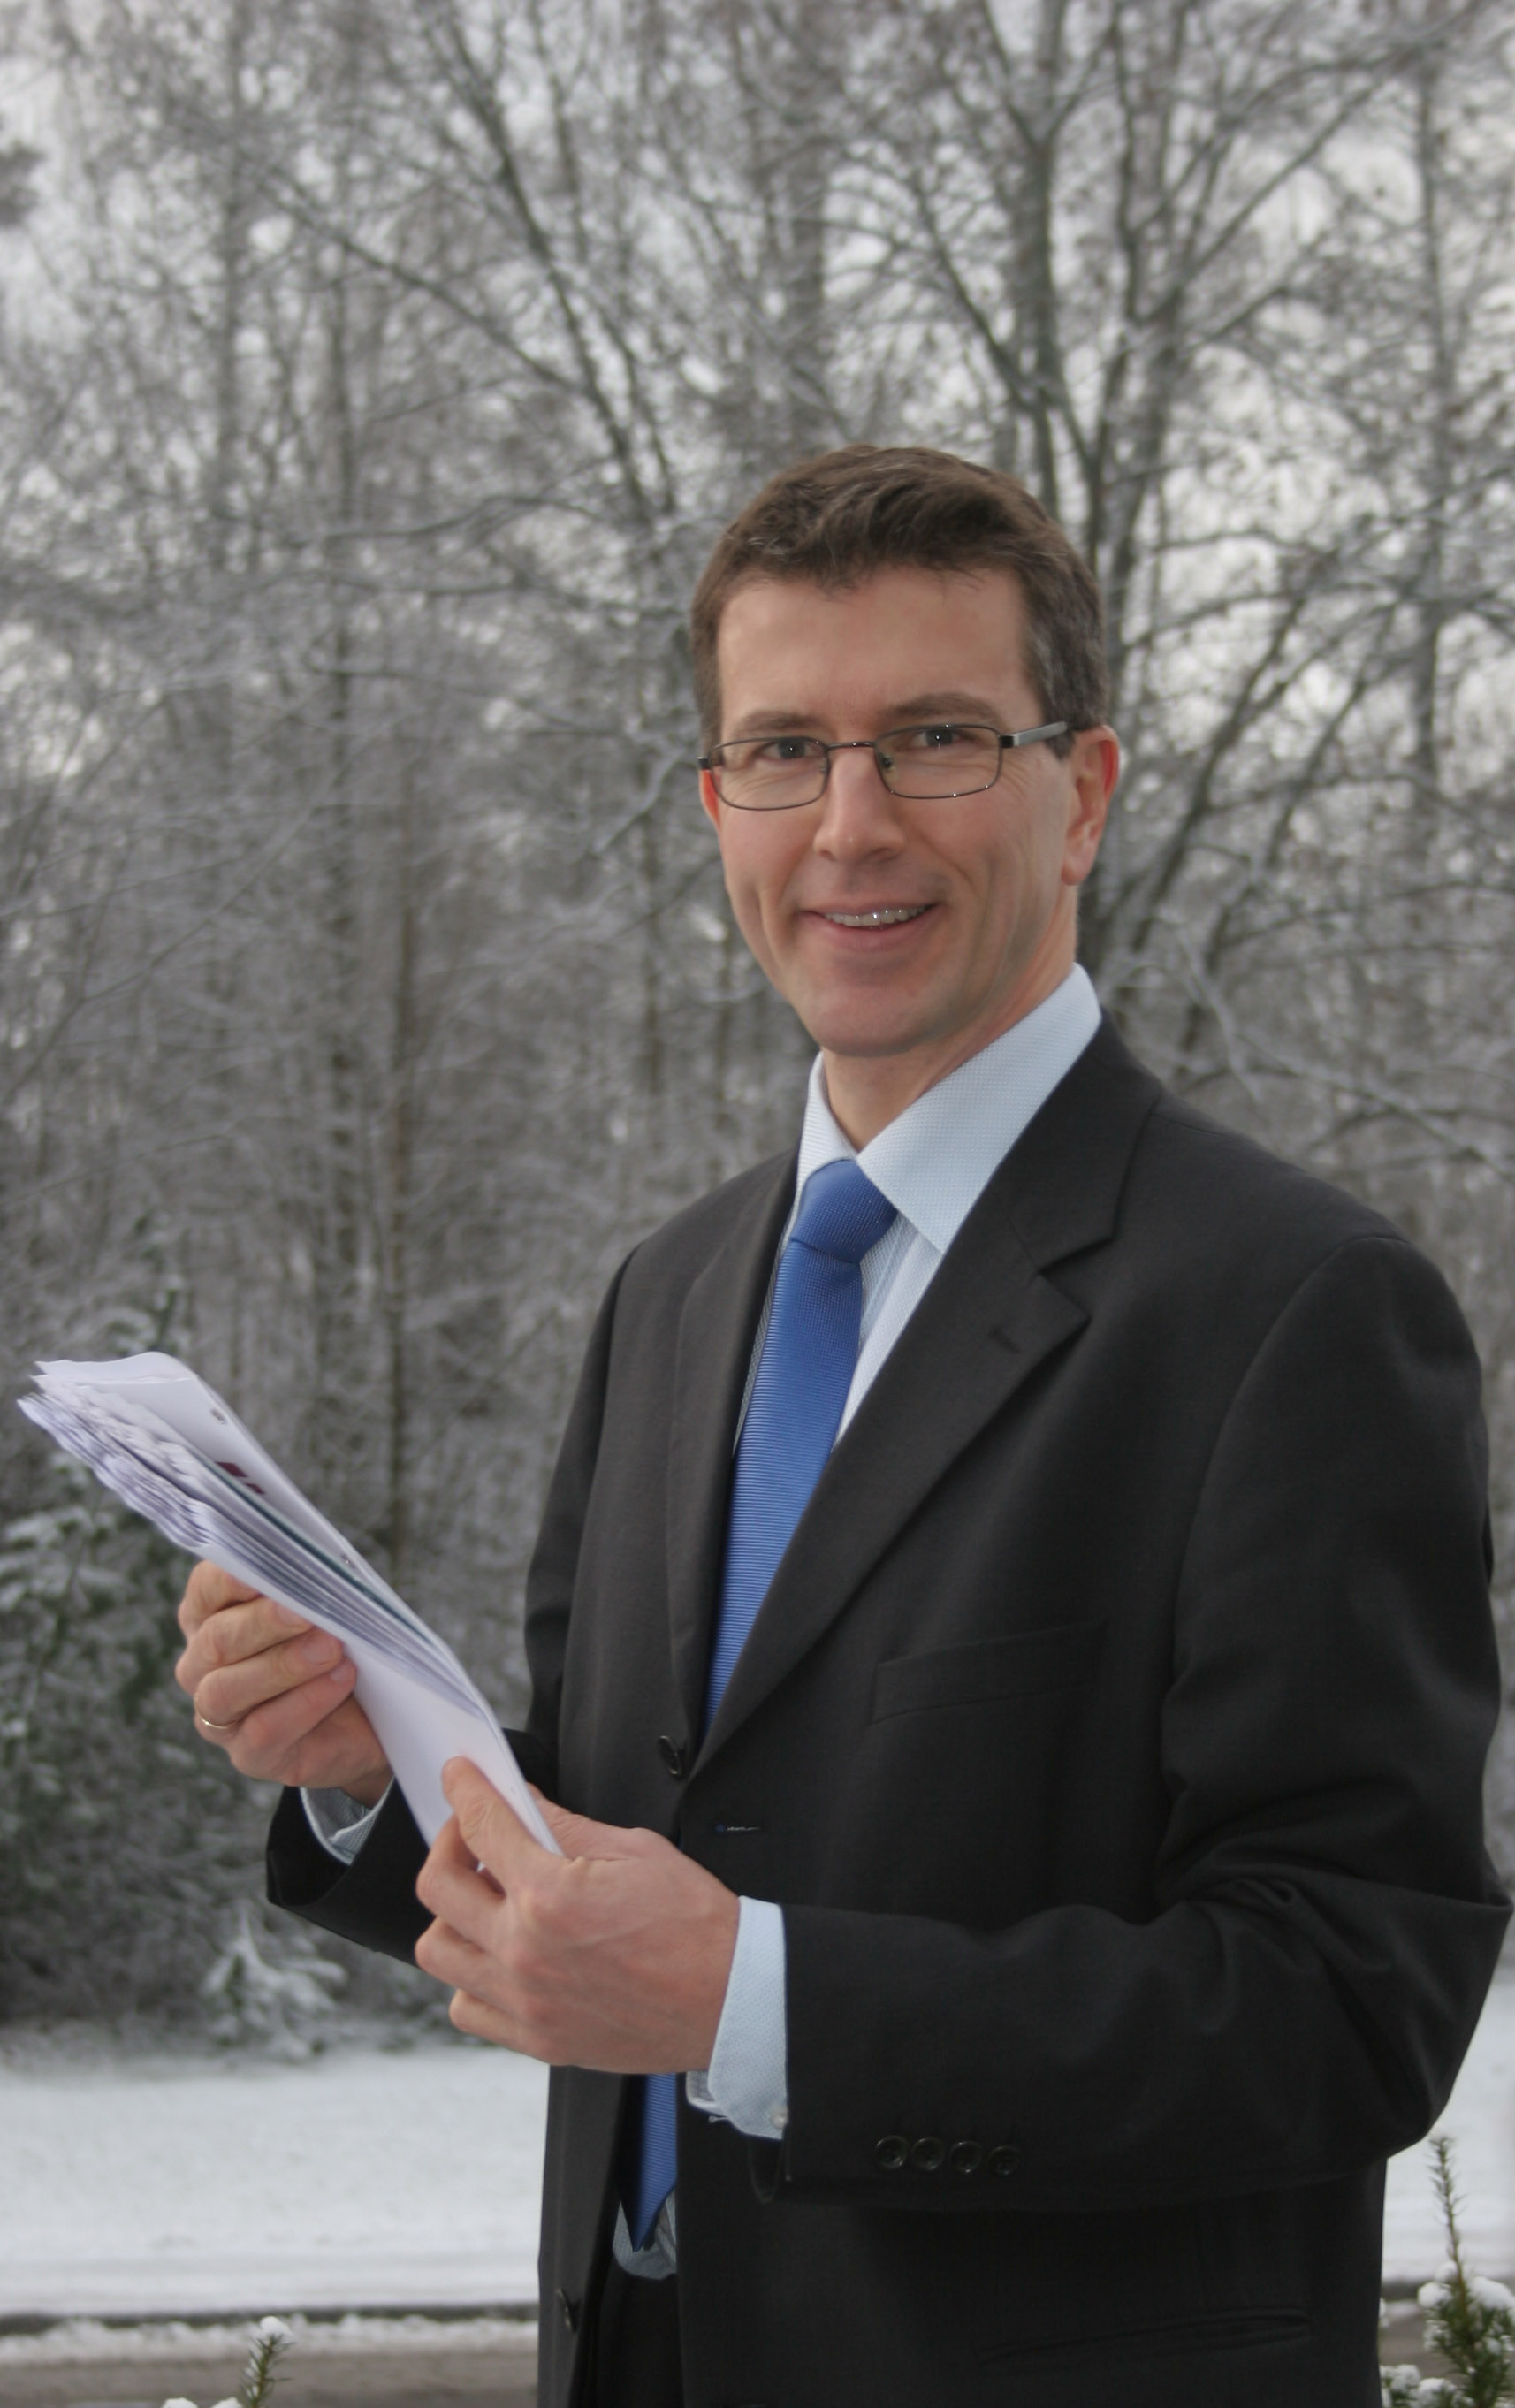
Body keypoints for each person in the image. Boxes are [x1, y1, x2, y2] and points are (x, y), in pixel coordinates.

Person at [174, 445, 1510, 2408]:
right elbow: (634, 1837)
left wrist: (754, 2000)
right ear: (718, 800)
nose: (849, 824)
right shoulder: (667, 1296)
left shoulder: (1293, 1309)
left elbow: (1345, 2002)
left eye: (937, 740)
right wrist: (373, 1768)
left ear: (1082, 793)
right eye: (782, 750)